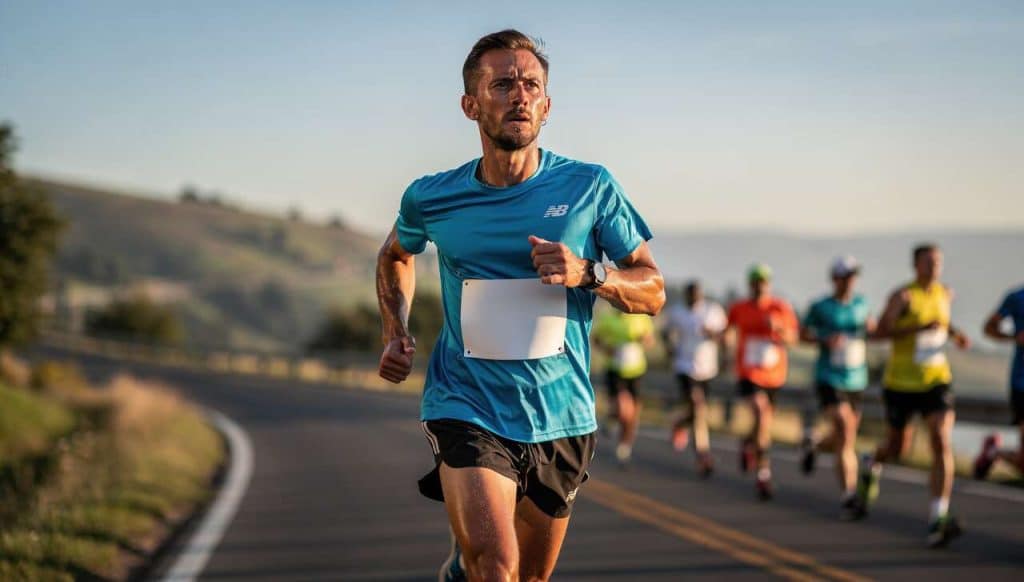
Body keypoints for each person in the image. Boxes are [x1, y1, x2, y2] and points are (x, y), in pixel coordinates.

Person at [375, 30, 665, 582]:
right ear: (470, 105)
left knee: (526, 577)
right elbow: (395, 255)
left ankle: (460, 570)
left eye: (531, 85)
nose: (520, 95)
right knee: (496, 565)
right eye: (503, 84)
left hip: (562, 415)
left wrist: (588, 273)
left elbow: (652, 289)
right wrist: (396, 330)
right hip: (466, 403)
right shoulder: (432, 197)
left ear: (547, 105)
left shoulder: (590, 187)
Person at [857, 243, 970, 548]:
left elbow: (941, 324)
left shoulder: (945, 294)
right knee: (897, 448)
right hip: (901, 384)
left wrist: (956, 334)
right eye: (928, 262)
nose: (934, 267)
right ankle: (871, 462)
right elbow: (879, 333)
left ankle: (938, 517)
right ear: (916, 265)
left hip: (936, 380)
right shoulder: (903, 296)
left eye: (938, 262)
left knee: (940, 439)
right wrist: (916, 329)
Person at [798, 256, 876, 520]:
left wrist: (872, 329)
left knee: (846, 436)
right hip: (829, 377)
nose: (850, 281)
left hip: (857, 378)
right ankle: (849, 496)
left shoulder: (862, 304)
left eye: (853, 276)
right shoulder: (821, 307)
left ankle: (814, 445)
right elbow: (802, 333)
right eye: (845, 276)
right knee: (844, 427)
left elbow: (873, 329)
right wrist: (823, 339)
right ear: (835, 279)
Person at [726, 264, 799, 500]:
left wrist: (779, 328)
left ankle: (748, 443)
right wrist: (726, 343)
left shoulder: (780, 307)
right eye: (756, 282)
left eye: (764, 282)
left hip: (774, 375)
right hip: (748, 372)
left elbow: (793, 339)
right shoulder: (740, 308)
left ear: (769, 284)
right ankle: (763, 474)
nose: (760, 286)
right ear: (750, 284)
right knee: (761, 412)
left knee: (763, 424)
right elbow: (727, 330)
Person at [661, 280, 727, 477]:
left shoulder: (712, 311)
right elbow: (665, 331)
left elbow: (724, 336)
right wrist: (670, 348)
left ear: (701, 295)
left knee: (697, 411)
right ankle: (703, 455)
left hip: (707, 369)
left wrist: (713, 336)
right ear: (686, 295)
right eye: (690, 295)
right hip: (684, 366)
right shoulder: (677, 312)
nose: (693, 298)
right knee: (698, 407)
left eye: (696, 295)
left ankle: (679, 423)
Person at [973, 285, 1024, 479]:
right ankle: (993, 452)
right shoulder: (1017, 297)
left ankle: (993, 452)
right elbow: (989, 328)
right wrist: (1014, 337)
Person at [593, 308, 655, 467]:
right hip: (615, 370)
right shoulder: (608, 319)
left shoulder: (641, 318)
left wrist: (645, 340)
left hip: (636, 371)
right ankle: (612, 417)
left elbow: (650, 341)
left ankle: (624, 446)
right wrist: (607, 349)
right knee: (624, 410)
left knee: (633, 414)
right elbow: (596, 339)